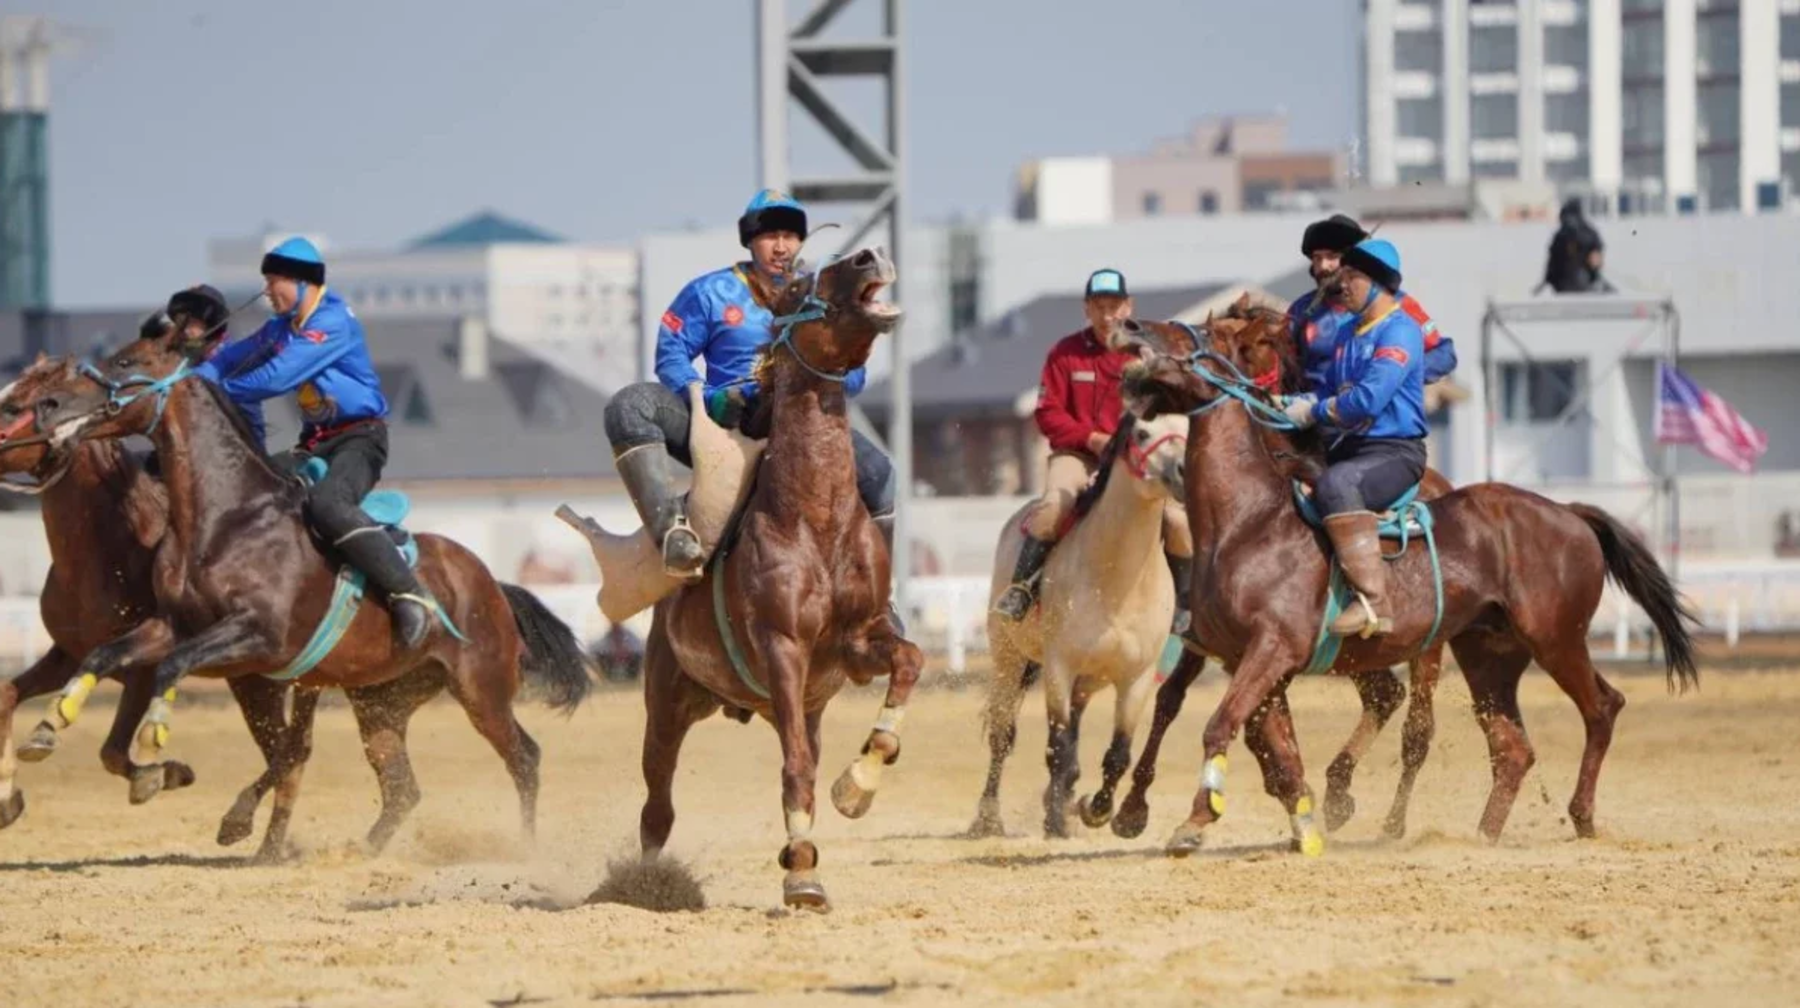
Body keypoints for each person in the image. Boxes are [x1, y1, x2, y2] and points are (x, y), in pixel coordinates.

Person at [600, 190, 904, 630]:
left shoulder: (821, 296)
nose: (780, 247)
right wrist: (705, 399)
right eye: (769, 237)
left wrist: (831, 372)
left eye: (789, 236)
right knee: (630, 406)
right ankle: (672, 535)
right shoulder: (710, 291)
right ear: (749, 241)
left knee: (880, 473)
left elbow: (854, 375)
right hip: (723, 424)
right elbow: (671, 352)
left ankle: (879, 603)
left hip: (801, 429)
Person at [194, 237, 434, 649]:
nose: (268, 292)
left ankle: (408, 593)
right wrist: (189, 381)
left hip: (361, 440)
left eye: (275, 282)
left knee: (329, 504)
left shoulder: (332, 322)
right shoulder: (280, 329)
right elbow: (230, 359)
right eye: (266, 282)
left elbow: (275, 378)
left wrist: (217, 391)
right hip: (315, 442)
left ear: (304, 282)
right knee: (253, 492)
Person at [992, 268, 1194, 626]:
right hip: (1077, 456)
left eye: (1114, 306)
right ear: (1086, 309)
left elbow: (1169, 411)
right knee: (1054, 506)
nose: (1107, 316)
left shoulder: (1149, 358)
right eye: (1099, 307)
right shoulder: (1065, 353)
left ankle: (1186, 609)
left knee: (1178, 520)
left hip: (1136, 461)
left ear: (1128, 306)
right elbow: (1047, 413)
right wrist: (1091, 439)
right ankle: (1022, 589)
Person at [1279, 238, 1428, 638]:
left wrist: (1313, 411)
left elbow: (1365, 400)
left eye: (1353, 277)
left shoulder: (1401, 332)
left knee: (1337, 484)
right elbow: (1328, 393)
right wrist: (1280, 404)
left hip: (1394, 454)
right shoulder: (1348, 331)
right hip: (1346, 448)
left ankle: (1374, 603)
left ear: (1379, 284)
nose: (1343, 285)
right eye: (1343, 277)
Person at [1288, 214, 1456, 392]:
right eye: (1317, 258)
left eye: (1332, 257)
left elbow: (1443, 354)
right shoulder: (1301, 311)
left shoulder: (1395, 304)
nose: (1323, 266)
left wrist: (1393, 376)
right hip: (1317, 412)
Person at [1539, 197, 1612, 294]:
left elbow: (1595, 258)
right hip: (1566, 283)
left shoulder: (1585, 232)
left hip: (1578, 282)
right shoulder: (1582, 232)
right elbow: (1553, 261)